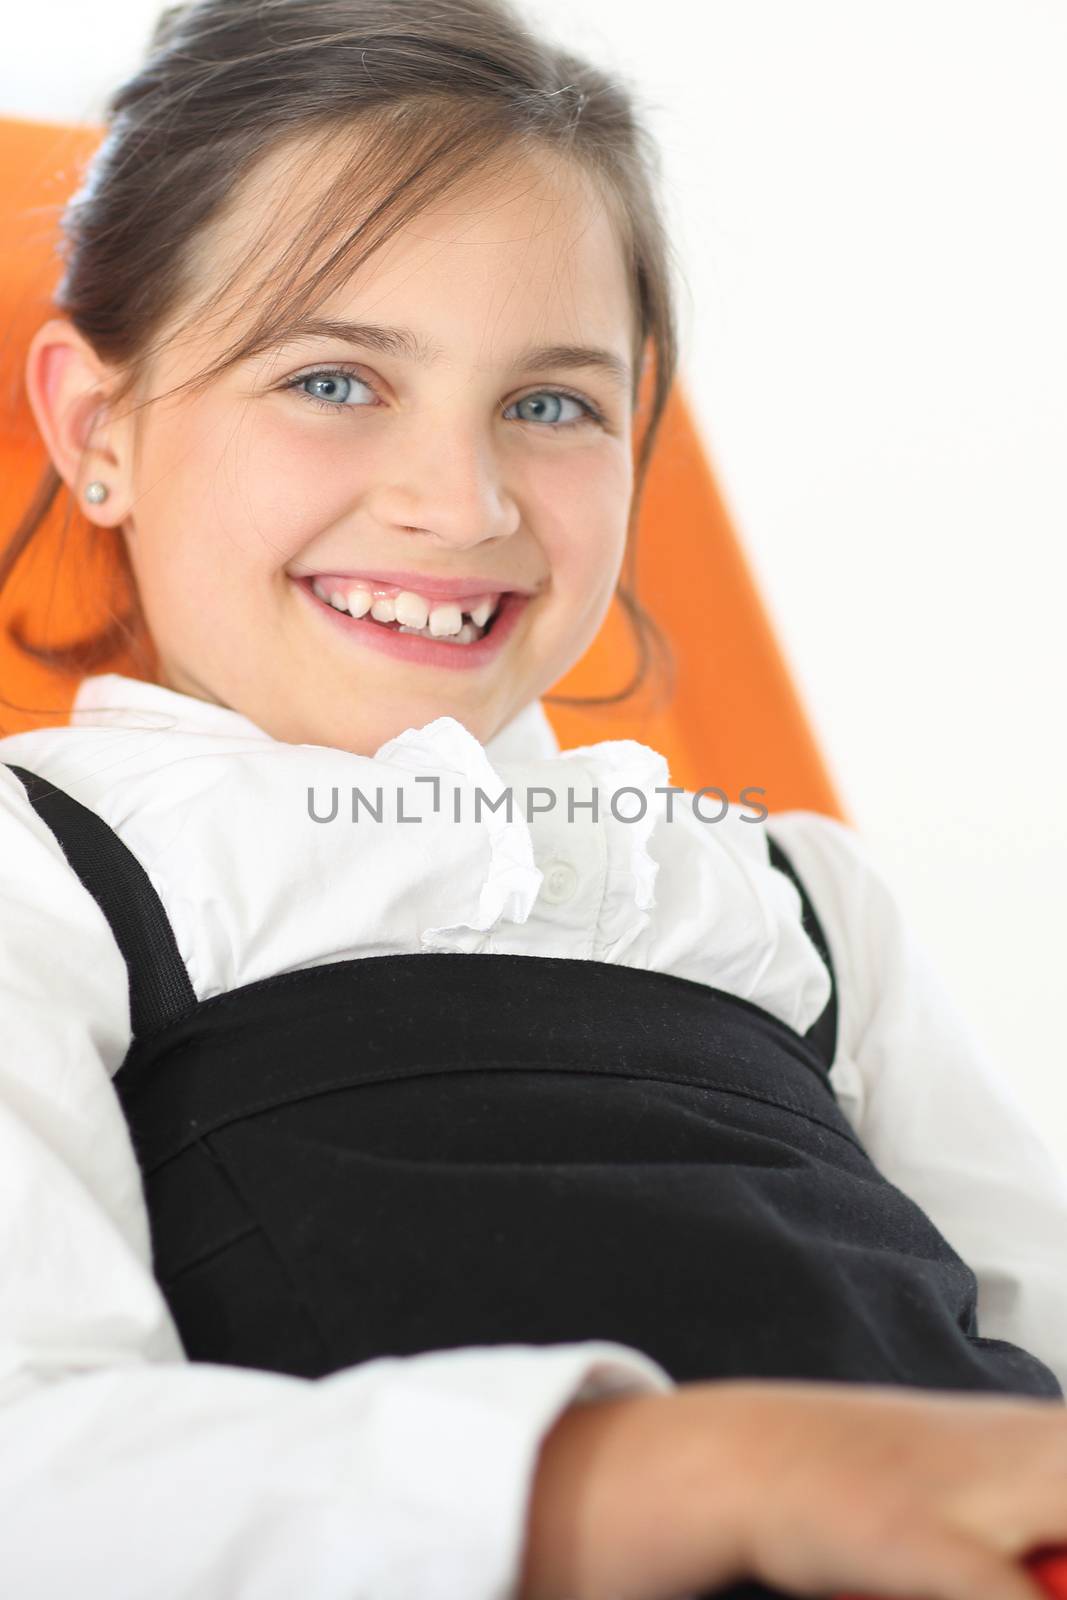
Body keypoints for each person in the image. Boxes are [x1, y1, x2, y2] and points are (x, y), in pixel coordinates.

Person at [0, 2, 1065, 1597]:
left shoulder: (792, 896)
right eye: (335, 379)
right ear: (98, 429)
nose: (462, 501)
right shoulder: (45, 867)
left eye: (552, 405)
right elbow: (39, 1476)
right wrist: (693, 1472)